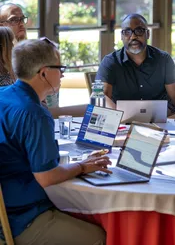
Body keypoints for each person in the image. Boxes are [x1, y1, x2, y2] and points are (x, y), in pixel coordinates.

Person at [0, 39, 111, 245]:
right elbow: (47, 177)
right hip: (19, 219)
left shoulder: (4, 95)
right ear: (43, 73)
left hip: (7, 205)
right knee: (101, 237)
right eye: (60, 68)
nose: (62, 74)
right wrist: (82, 167)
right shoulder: (34, 113)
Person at [96, 13, 175, 112]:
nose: (133, 36)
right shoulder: (110, 62)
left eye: (139, 31)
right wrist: (117, 117)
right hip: (123, 121)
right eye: (127, 32)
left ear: (148, 34)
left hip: (159, 121)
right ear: (121, 36)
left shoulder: (164, 59)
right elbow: (101, 95)